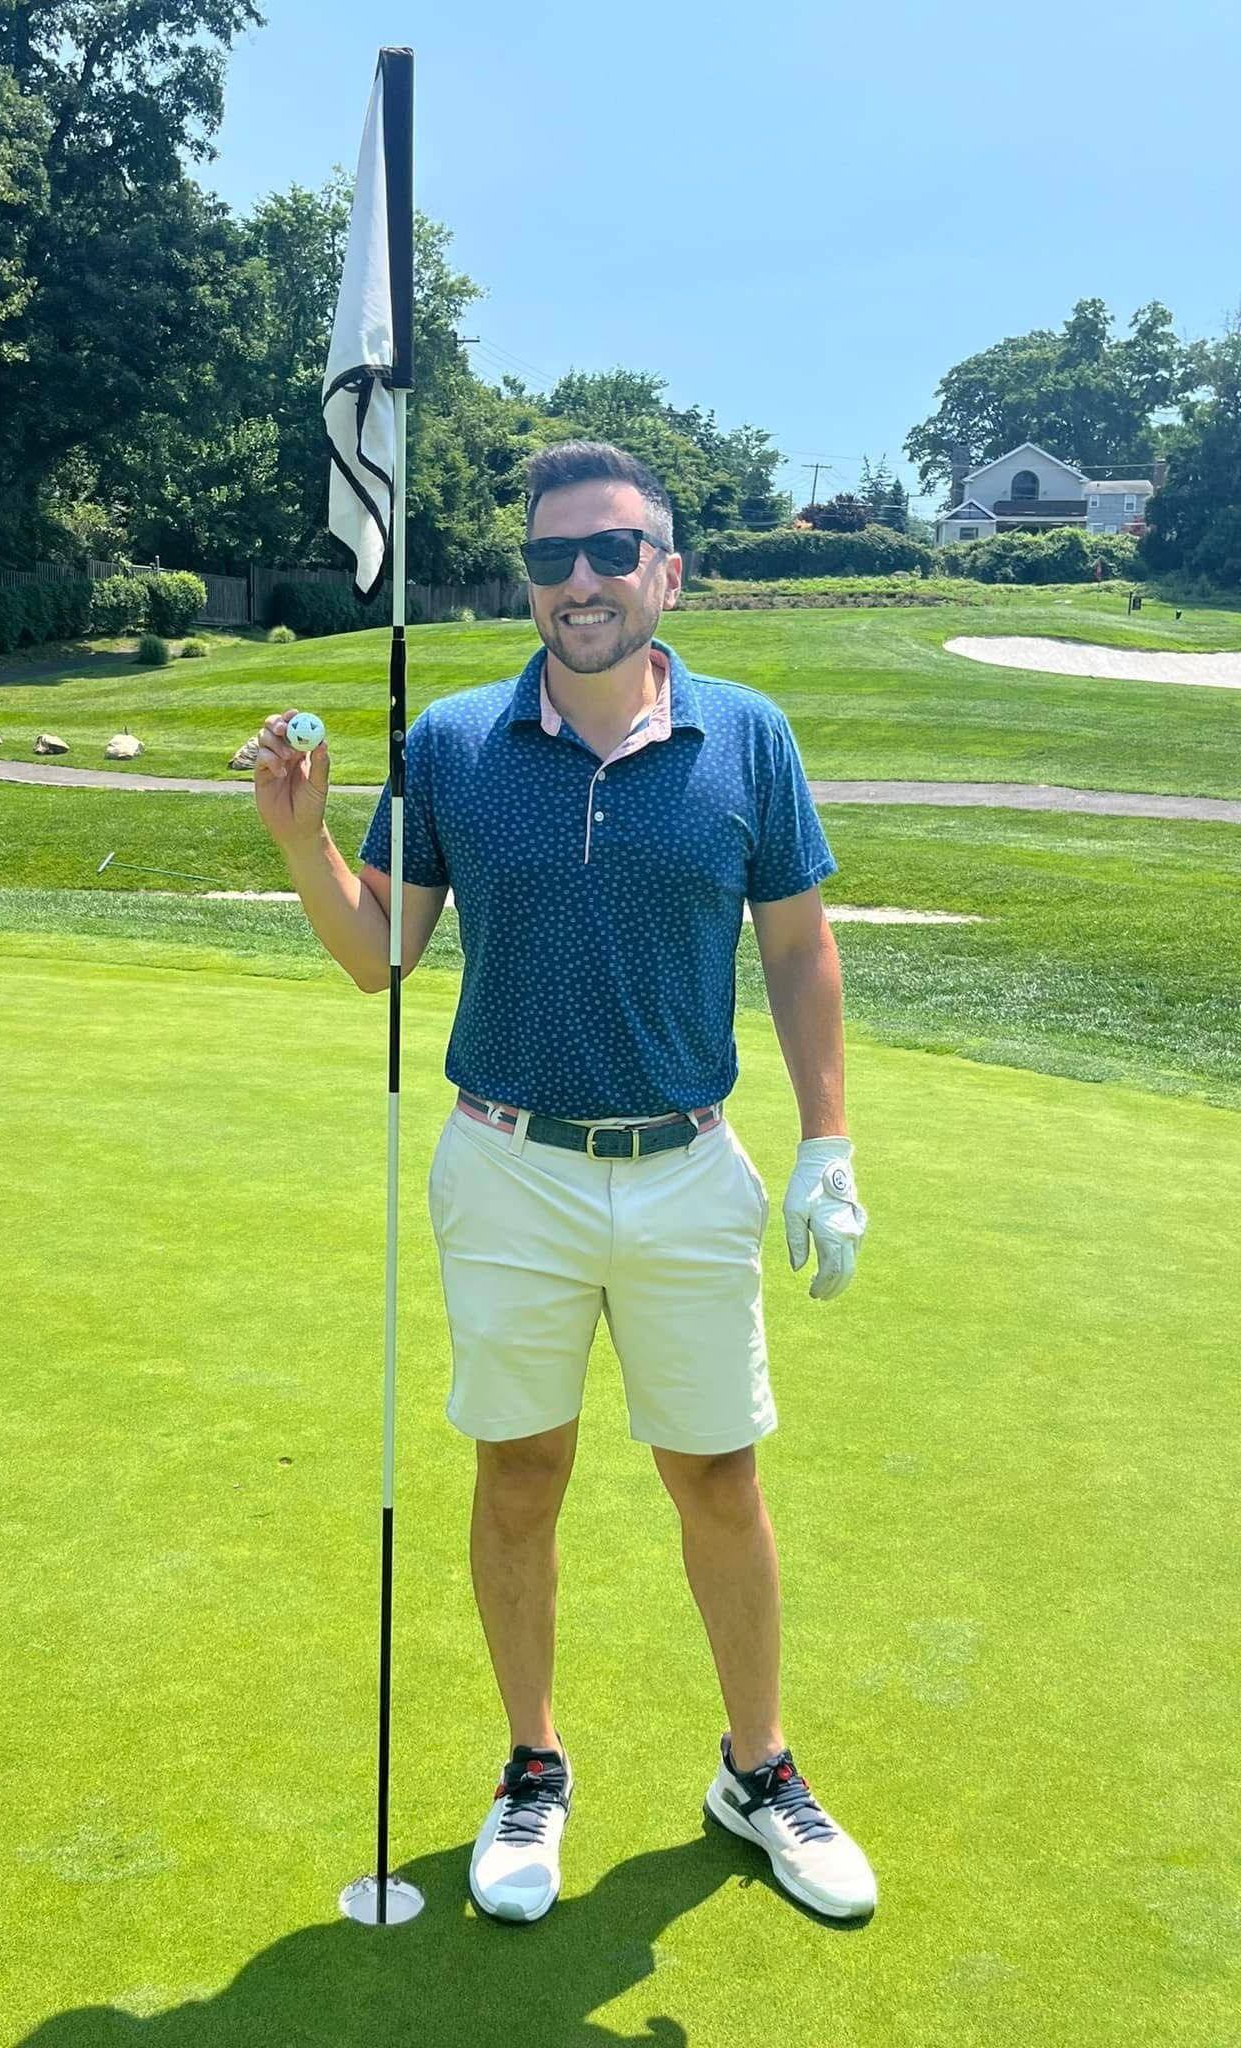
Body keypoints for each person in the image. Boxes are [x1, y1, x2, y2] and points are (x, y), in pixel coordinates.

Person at [252, 439, 876, 1927]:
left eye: (611, 552)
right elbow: (378, 957)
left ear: (669, 568)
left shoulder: (748, 737)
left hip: (686, 1168)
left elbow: (798, 947)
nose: (579, 582)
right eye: (551, 559)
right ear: (527, 579)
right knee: (519, 1472)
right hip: (509, 1162)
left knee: (715, 1476)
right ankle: (532, 1767)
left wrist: (830, 1147)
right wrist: (301, 837)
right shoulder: (459, 743)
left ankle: (759, 1769)